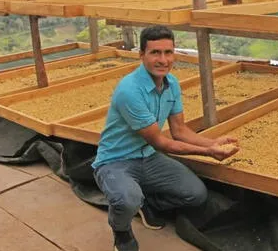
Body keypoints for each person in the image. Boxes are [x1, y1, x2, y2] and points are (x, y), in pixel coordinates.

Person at [92, 25, 239, 251]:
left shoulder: (172, 84)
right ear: (142, 55)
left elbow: (179, 129)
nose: (163, 60)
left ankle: (148, 204)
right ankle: (121, 231)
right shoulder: (130, 91)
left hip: (148, 158)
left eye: (168, 52)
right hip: (116, 160)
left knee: (196, 194)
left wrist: (213, 142)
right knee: (126, 199)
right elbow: (161, 142)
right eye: (155, 53)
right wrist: (208, 153)